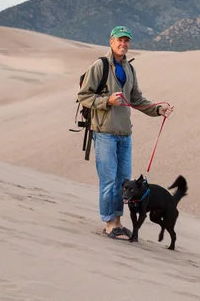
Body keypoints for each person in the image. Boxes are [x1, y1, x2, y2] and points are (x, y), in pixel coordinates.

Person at [77, 25, 174, 240]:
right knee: (109, 180)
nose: (123, 44)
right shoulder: (100, 66)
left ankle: (118, 222)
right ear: (111, 41)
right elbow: (83, 96)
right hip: (104, 132)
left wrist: (158, 110)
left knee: (124, 182)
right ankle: (110, 223)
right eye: (119, 40)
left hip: (124, 134)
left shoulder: (129, 69)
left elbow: (136, 99)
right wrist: (106, 101)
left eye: (127, 40)